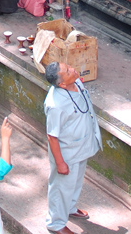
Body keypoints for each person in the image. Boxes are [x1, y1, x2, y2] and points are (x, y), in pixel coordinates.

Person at [44, 62, 102, 234]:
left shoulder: (76, 82)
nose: (72, 69)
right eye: (68, 71)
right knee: (61, 187)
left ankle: (70, 208)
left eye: (68, 66)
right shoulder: (55, 104)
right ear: (61, 84)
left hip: (82, 144)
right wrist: (60, 163)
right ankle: (56, 223)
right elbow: (52, 136)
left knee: (76, 181)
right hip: (67, 151)